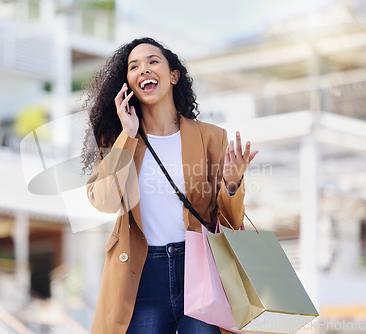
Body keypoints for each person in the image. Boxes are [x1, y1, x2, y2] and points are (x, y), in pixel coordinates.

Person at [81, 37, 258, 334]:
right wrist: (128, 134)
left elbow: (229, 221)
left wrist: (231, 183)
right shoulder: (118, 141)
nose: (144, 70)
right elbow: (105, 201)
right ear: (127, 83)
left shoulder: (212, 137)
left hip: (200, 269)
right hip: (141, 273)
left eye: (153, 62)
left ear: (174, 75)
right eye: (133, 66)